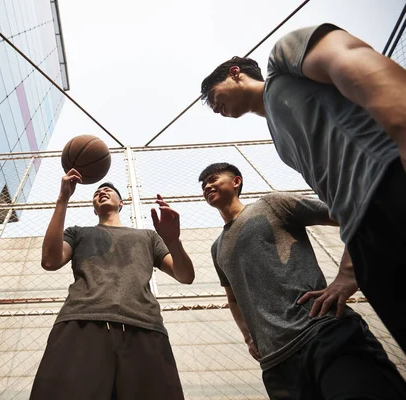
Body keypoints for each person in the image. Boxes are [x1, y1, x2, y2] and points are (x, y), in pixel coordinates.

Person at [200, 24, 406, 353]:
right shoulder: (280, 140)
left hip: (392, 181)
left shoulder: (283, 60)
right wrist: (349, 271)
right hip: (368, 237)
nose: (215, 107)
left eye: (213, 97)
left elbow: (353, 58)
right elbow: (339, 200)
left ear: (235, 73)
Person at [200, 162, 406, 399]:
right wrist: (248, 335)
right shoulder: (217, 248)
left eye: (213, 179)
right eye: (204, 185)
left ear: (236, 181)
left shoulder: (271, 205)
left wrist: (348, 275)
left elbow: (352, 214)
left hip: (323, 333)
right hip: (276, 364)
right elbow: (233, 299)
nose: (207, 186)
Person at [30, 168, 195, 400]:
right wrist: (63, 199)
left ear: (122, 203)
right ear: (93, 206)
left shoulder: (148, 236)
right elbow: (50, 261)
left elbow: (185, 276)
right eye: (97, 191)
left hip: (144, 326)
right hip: (82, 321)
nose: (103, 191)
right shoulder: (78, 233)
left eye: (109, 190)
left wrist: (172, 240)